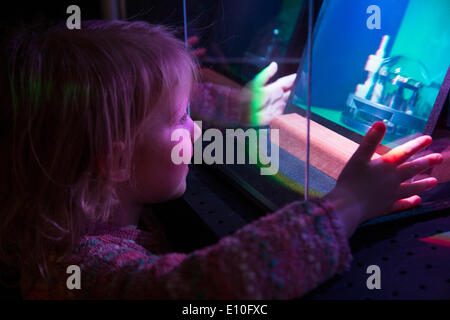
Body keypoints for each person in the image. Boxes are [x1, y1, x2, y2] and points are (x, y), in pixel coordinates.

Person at [0, 21, 442, 299]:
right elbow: (221, 281)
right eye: (182, 118)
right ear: (114, 161)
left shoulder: (65, 219)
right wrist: (350, 202)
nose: (196, 129)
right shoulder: (86, 266)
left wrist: (243, 109)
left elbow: (159, 105)